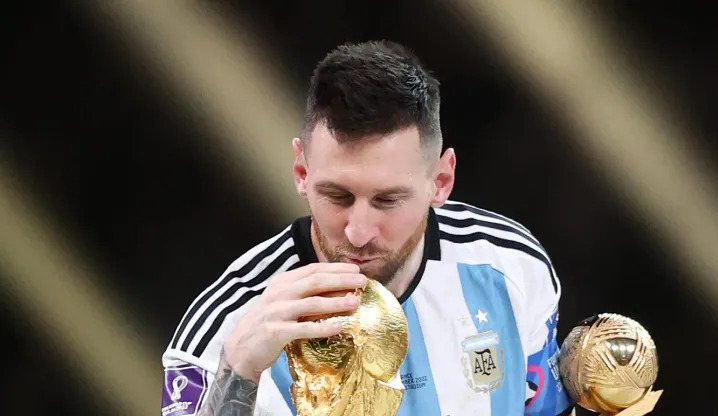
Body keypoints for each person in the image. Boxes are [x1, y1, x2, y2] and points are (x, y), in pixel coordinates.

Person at [160, 40, 574, 416]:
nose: (358, 232)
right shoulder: (227, 326)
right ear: (301, 171)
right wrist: (239, 371)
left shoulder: (512, 267)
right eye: (337, 196)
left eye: (387, 200)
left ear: (441, 181)